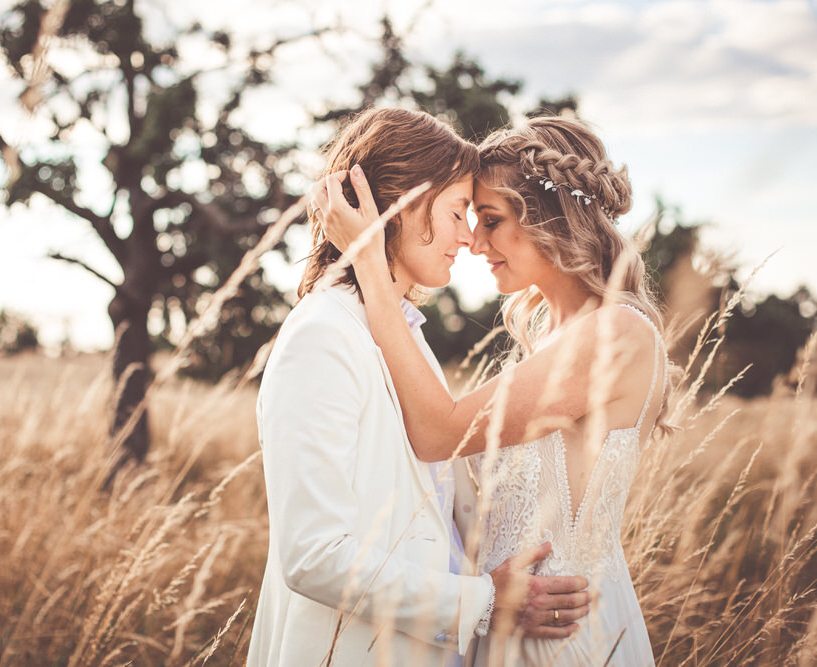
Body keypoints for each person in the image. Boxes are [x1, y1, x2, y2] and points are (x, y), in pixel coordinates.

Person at [314, 115, 670, 666]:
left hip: (561, 635)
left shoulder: (614, 334)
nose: (475, 241)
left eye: (492, 220)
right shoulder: (553, 339)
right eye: (470, 217)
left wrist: (368, 258)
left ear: (552, 218)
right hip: (510, 620)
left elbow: (441, 433)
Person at [247, 108, 592, 667]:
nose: (469, 235)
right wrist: (482, 602)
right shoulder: (322, 335)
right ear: (399, 206)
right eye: (457, 211)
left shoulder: (402, 333)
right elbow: (312, 555)